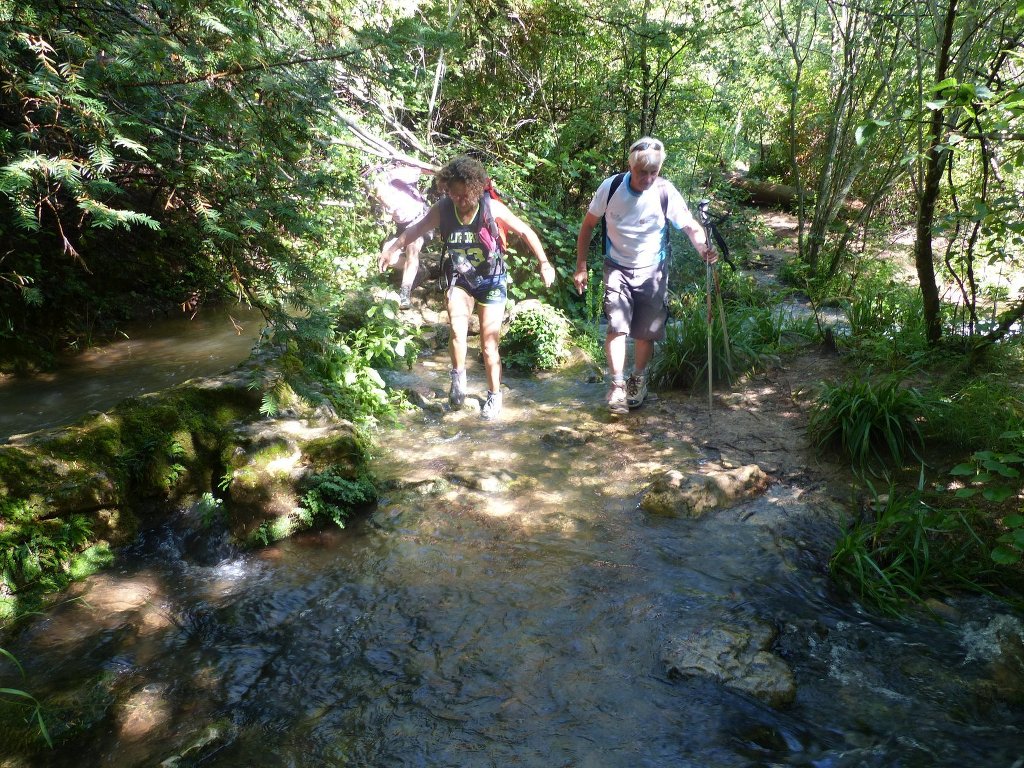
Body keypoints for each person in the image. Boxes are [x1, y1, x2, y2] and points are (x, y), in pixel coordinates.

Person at [381, 155, 555, 421]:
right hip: (459, 277)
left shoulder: (490, 208)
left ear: (476, 189)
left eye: (465, 195)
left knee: (488, 344)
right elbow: (415, 230)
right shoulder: (442, 209)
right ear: (447, 190)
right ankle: (458, 378)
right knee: (457, 330)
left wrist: (544, 263)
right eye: (455, 195)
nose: (460, 201)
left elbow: (525, 231)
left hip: (492, 279)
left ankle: (494, 394)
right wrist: (392, 248)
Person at [573, 137, 715, 415]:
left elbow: (689, 226)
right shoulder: (611, 187)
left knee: (645, 331)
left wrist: (703, 248)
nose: (648, 178)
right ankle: (616, 385)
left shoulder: (665, 192)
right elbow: (588, 225)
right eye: (642, 172)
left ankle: (638, 379)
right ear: (630, 166)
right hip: (616, 266)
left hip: (653, 270)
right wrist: (581, 265)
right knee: (617, 325)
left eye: (654, 172)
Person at [373, 160, 437, 308]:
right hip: (402, 225)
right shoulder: (375, 192)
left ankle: (404, 294)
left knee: (412, 249)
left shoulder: (397, 175)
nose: (379, 197)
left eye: (379, 193)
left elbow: (422, 168)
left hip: (422, 219)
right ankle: (420, 271)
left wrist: (443, 175)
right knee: (386, 257)